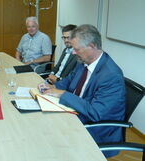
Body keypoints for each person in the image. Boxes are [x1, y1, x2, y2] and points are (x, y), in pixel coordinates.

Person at [38, 24, 125, 158]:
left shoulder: (111, 76)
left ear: (91, 46)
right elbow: (68, 81)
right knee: (41, 125)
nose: (73, 52)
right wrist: (52, 88)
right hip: (77, 114)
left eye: (76, 48)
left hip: (96, 129)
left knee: (49, 141)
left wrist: (63, 94)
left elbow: (96, 113)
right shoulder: (83, 62)